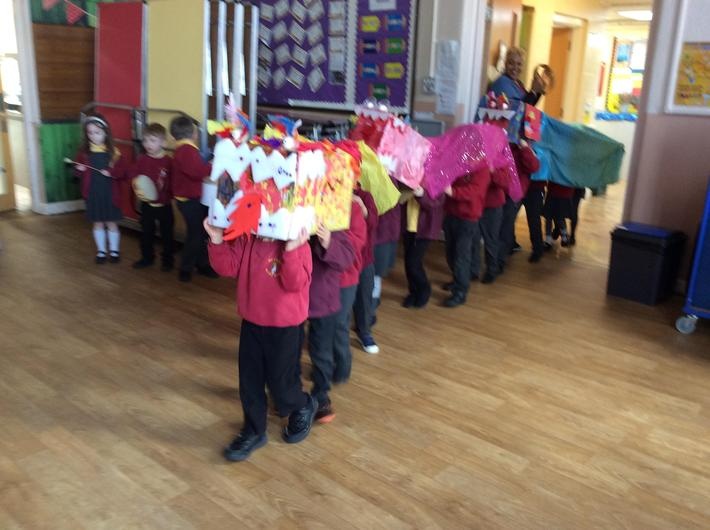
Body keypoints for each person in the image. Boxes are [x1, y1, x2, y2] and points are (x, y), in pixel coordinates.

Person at [204, 219, 318, 462]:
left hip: (286, 325)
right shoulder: (247, 237)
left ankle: (302, 404)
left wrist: (291, 249)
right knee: (249, 381)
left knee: (281, 385)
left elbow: (295, 282)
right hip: (252, 321)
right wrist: (216, 239)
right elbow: (227, 267)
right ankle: (254, 430)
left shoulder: (298, 243)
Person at [307, 223, 356, 423]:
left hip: (323, 299)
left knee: (322, 352)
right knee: (287, 350)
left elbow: (347, 258)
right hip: (291, 299)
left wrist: (328, 241)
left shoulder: (332, 221)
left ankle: (321, 396)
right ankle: (288, 393)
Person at [74, 114, 127, 264]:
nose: (93, 136)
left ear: (106, 133)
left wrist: (112, 172)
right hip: (93, 193)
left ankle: (114, 251)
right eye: (90, 133)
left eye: (97, 132)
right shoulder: (84, 153)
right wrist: (79, 170)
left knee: (111, 222)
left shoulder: (114, 153)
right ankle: (101, 251)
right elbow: (77, 171)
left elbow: (123, 172)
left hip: (110, 194)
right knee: (97, 222)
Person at [170, 116, 217, 282]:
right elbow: (196, 171)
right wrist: (212, 166)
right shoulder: (187, 150)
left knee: (199, 233)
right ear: (194, 134)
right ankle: (186, 268)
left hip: (189, 199)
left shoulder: (182, 149)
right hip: (189, 201)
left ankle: (201, 264)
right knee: (196, 235)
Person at [442, 167, 490, 308]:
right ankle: (457, 280)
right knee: (451, 252)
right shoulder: (458, 163)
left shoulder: (482, 168)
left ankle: (460, 292)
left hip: (467, 218)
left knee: (461, 256)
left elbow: (474, 191)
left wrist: (452, 191)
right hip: (451, 214)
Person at [130, 123, 174, 271]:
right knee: (146, 233)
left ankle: (167, 261)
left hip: (165, 205)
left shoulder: (169, 161)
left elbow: (173, 182)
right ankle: (147, 258)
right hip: (147, 205)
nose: (148, 144)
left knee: (167, 234)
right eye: (145, 140)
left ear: (163, 143)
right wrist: (136, 183)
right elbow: (134, 175)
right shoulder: (142, 159)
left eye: (153, 140)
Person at [333, 195, 368, 384]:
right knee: (323, 323)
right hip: (323, 278)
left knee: (339, 323)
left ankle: (342, 366)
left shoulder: (353, 207)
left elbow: (356, 243)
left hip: (346, 278)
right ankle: (327, 364)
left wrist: (332, 233)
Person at [401, 185, 444, 308]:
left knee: (413, 262)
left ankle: (424, 290)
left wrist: (421, 195)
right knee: (408, 261)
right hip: (409, 225)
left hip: (425, 229)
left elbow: (435, 204)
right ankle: (413, 291)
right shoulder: (409, 176)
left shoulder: (436, 179)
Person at [352, 186, 379, 354]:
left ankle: (365, 332)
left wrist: (362, 208)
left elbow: (373, 223)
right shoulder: (330, 192)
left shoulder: (365, 196)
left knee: (364, 297)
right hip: (341, 259)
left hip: (364, 258)